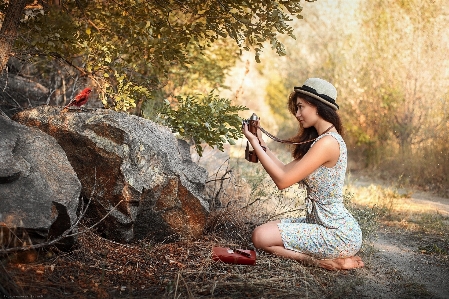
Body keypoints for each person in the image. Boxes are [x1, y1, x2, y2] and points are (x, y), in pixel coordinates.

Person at [242, 78, 364, 270]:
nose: (297, 114)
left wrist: (255, 144)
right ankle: (321, 260)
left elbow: (282, 180)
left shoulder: (328, 143)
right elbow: (284, 170)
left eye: (300, 107)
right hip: (321, 225)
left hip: (336, 233)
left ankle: (322, 263)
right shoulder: (322, 140)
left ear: (317, 107)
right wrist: (260, 141)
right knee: (263, 233)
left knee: (260, 236)